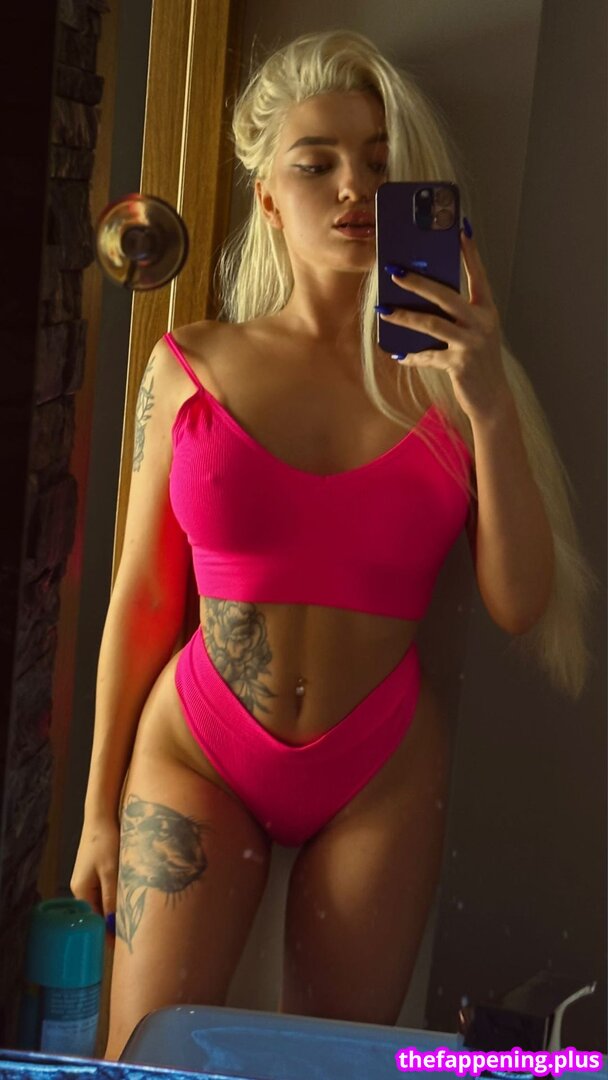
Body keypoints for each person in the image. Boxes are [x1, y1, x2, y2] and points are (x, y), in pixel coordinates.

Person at [71, 29, 596, 1061]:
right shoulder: (189, 366)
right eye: (316, 164)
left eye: (379, 161)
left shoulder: (452, 381)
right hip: (197, 748)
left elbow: (518, 604)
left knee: (334, 1065)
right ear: (269, 198)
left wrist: (489, 398)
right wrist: (96, 812)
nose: (355, 186)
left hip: (379, 768)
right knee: (145, 1055)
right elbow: (141, 599)